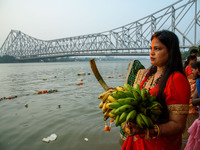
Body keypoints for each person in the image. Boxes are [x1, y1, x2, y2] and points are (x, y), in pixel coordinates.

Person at [121, 30, 190, 150]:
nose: (151, 53)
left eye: (157, 49)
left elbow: (178, 125)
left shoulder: (177, 79)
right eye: (151, 48)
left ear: (171, 51)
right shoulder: (148, 75)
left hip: (158, 145)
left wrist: (147, 130)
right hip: (137, 141)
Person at [185, 62, 200, 150]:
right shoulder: (198, 81)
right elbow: (194, 101)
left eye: (193, 70)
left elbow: (194, 100)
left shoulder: (198, 81)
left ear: (198, 69)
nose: (192, 72)